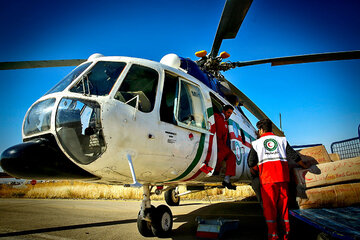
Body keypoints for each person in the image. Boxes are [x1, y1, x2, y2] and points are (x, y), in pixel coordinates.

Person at [247, 119, 307, 240]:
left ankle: (273, 236)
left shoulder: (257, 143)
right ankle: (286, 235)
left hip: (267, 181)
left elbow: (251, 162)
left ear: (261, 130)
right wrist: (304, 166)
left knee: (270, 208)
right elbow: (294, 156)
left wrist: (255, 169)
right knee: (284, 208)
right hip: (283, 178)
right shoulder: (281, 140)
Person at [214, 104, 237, 190]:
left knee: (231, 156)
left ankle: (227, 179)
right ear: (223, 111)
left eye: (230, 114)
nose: (229, 115)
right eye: (228, 113)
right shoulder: (217, 117)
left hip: (221, 144)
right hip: (215, 141)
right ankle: (216, 170)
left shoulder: (225, 122)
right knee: (222, 153)